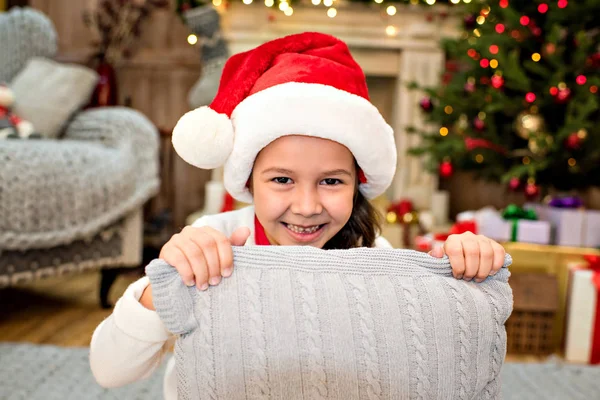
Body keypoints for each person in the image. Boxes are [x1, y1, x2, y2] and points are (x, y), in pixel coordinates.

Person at [90, 32, 506, 400]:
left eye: (331, 182)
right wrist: (160, 286)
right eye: (283, 179)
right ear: (250, 182)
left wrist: (466, 265)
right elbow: (109, 370)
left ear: (357, 185)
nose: (307, 207)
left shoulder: (372, 254)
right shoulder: (210, 241)